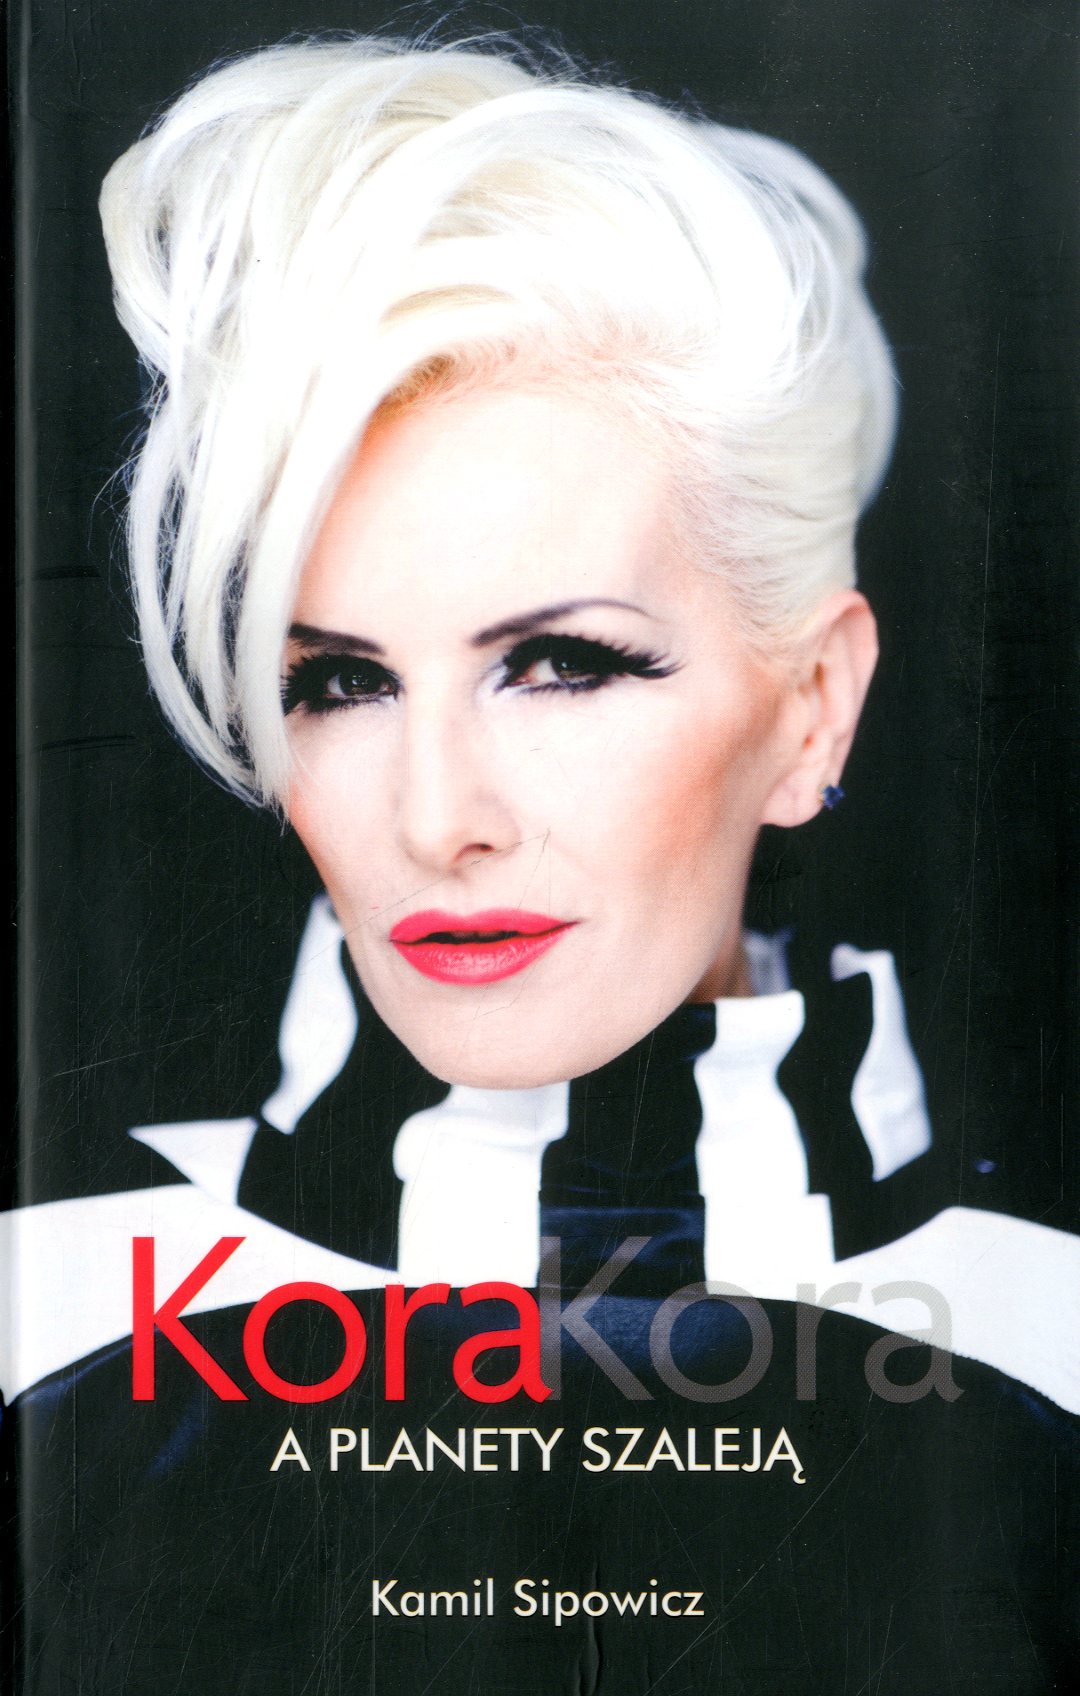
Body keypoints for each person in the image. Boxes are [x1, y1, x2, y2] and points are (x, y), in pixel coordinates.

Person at [2, 35, 1076, 1416]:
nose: (437, 819)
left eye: (563, 665)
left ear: (815, 707)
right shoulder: (53, 1313)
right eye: (342, 684)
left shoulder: (1048, 1332)